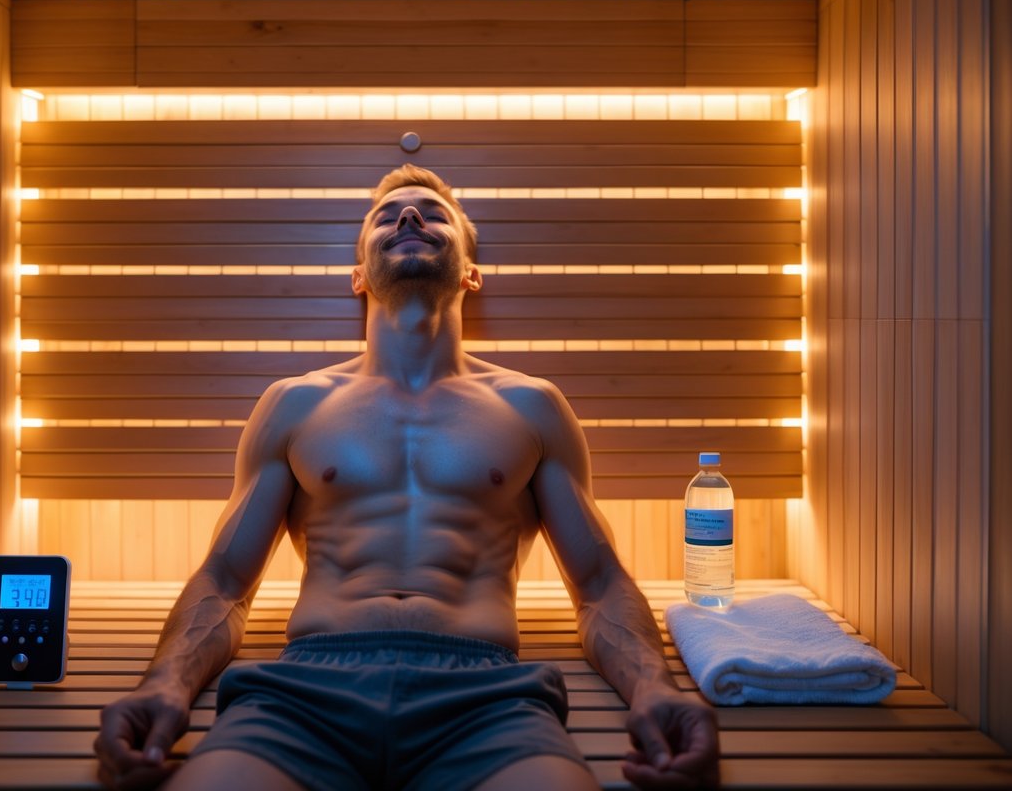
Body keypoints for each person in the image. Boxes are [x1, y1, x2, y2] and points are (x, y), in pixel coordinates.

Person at [94, 165, 721, 791]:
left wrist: (655, 689)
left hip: (485, 695)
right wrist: (164, 685)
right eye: (386, 216)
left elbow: (599, 586)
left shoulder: (532, 407)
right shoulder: (294, 404)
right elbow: (226, 582)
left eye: (433, 213)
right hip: (307, 687)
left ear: (472, 273)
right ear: (358, 276)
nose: (411, 217)